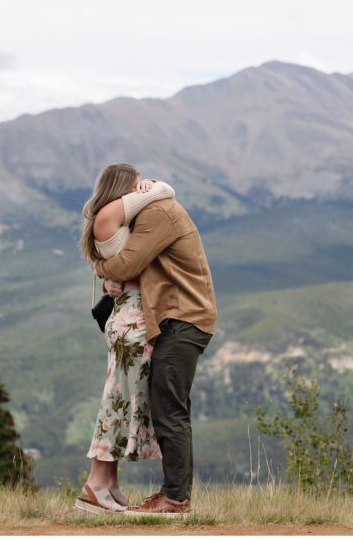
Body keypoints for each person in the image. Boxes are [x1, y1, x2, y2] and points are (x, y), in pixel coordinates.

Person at [90, 165, 217, 516]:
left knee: (169, 408)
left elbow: (127, 264)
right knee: (168, 405)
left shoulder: (157, 212)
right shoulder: (150, 208)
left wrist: (102, 269)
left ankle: (175, 498)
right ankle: (173, 494)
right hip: (173, 316)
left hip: (183, 317)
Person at [75, 163, 177, 514]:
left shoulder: (110, 222)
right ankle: (96, 483)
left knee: (119, 400)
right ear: (121, 190)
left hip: (129, 317)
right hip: (133, 321)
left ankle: (108, 482)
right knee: (117, 402)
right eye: (133, 187)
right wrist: (152, 187)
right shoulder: (109, 218)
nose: (139, 192)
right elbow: (165, 191)